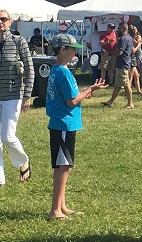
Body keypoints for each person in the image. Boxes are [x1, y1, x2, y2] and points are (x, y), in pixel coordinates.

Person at [46, 34, 107, 220]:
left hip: (61, 123)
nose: (75, 52)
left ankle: (62, 206)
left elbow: (70, 96)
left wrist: (84, 92)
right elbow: (71, 101)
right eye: (72, 48)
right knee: (63, 166)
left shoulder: (57, 70)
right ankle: (55, 210)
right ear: (62, 49)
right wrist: (91, 90)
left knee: (64, 166)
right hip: (64, 123)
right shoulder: (63, 72)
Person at [0, 9, 34, 190]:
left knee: (8, 136)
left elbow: (29, 69)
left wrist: (27, 94)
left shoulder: (19, 42)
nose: (0, 22)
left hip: (12, 95)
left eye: (3, 19)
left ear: (10, 21)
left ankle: (23, 161)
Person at [101, 23, 135, 109]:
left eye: (119, 28)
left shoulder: (123, 39)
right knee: (117, 85)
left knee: (126, 84)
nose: (117, 30)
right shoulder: (129, 38)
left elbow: (120, 52)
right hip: (125, 62)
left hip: (123, 64)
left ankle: (130, 103)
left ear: (123, 29)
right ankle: (110, 102)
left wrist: (110, 53)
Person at [128, 24, 142, 95]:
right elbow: (133, 50)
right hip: (132, 57)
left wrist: (135, 40)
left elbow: (138, 42)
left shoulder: (138, 37)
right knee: (131, 75)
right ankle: (128, 89)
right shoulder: (129, 39)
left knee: (137, 75)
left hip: (138, 56)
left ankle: (138, 90)